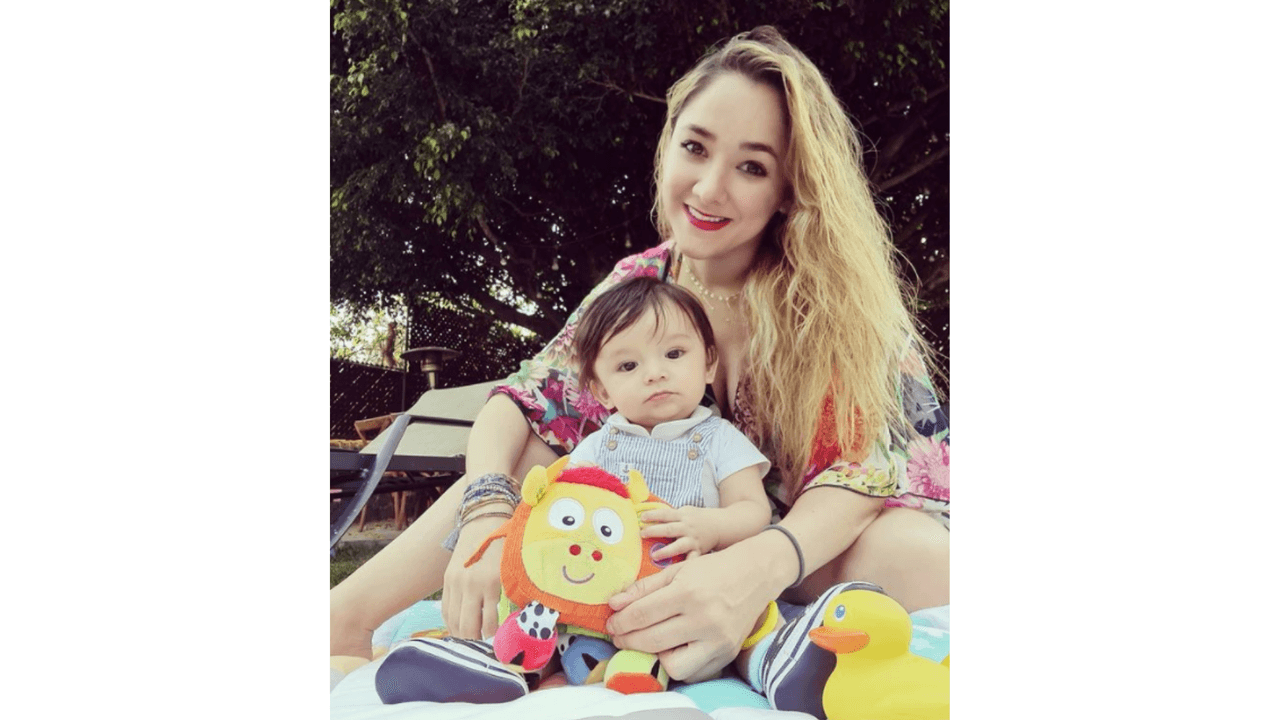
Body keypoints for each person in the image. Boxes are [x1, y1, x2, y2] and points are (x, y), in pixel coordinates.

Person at [332, 24, 949, 709]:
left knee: (913, 552)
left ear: (788, 188)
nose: (708, 189)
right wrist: (487, 517)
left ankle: (778, 648)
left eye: (752, 167)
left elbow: (866, 473)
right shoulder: (645, 283)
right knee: (534, 458)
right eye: (695, 148)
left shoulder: (839, 296)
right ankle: (351, 618)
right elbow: (526, 402)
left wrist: (752, 570)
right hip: (654, 549)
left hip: (804, 549)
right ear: (669, 143)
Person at [567, 275, 772, 562]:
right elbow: (568, 505)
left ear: (709, 364)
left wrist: (714, 527)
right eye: (628, 365)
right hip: (611, 575)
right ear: (602, 392)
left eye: (674, 353)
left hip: (699, 575)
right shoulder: (595, 449)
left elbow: (753, 509)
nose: (655, 374)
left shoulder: (720, 439)